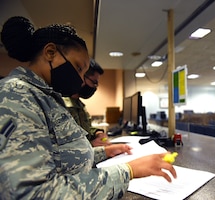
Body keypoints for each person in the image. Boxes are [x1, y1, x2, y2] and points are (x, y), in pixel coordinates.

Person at [0, 16, 176, 199]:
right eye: (78, 68)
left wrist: (103, 152)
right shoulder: (17, 95)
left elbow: (59, 156)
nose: (79, 80)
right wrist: (128, 171)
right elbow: (33, 193)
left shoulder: (46, 96)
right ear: (50, 52)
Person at [62, 59, 110, 147]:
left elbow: (84, 129)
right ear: (82, 77)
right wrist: (90, 145)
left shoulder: (79, 105)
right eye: (94, 82)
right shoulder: (61, 104)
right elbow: (64, 143)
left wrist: (97, 132)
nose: (95, 87)